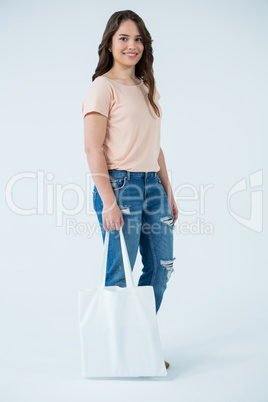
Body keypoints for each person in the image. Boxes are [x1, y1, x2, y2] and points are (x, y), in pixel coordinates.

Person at [82, 10, 178, 370]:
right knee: (120, 272)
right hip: (120, 185)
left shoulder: (145, 87)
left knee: (161, 266)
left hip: (151, 185)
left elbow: (155, 144)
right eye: (124, 38)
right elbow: (93, 149)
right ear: (110, 42)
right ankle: (117, 353)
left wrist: (168, 189)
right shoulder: (101, 88)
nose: (132, 45)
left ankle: (138, 342)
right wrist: (109, 202)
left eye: (138, 39)